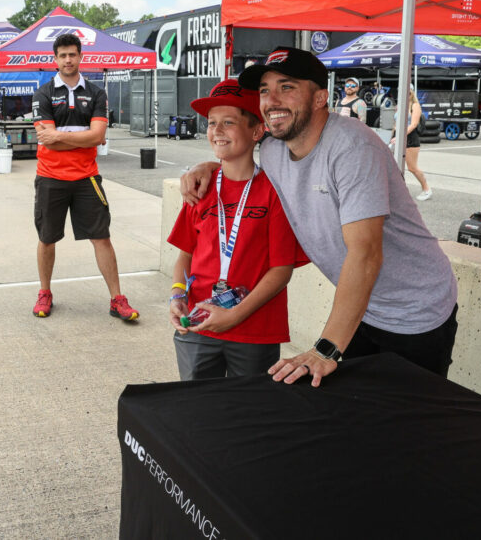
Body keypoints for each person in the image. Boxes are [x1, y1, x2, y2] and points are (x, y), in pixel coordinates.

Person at [181, 47, 457, 387]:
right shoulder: (272, 149)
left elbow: (366, 253)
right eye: (265, 90)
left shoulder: (353, 148)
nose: (271, 100)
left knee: (411, 427)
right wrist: (205, 166)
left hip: (416, 310)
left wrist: (326, 348)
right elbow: (235, 149)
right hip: (363, 308)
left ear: (320, 98)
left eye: (287, 87)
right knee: (351, 418)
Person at [167, 80, 306, 380]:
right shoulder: (199, 188)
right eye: (212, 123)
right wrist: (177, 295)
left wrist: (234, 316)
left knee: (249, 417)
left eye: (228, 122)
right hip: (199, 324)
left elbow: (281, 270)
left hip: (255, 330)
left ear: (257, 131)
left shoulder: (275, 191)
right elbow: (184, 257)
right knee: (198, 412)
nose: (217, 130)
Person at [30, 33, 139, 322]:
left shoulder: (96, 92)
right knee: (47, 238)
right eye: (62, 55)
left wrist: (64, 136)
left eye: (72, 54)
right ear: (55, 59)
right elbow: (48, 140)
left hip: (86, 178)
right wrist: (85, 138)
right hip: (50, 177)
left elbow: (98, 135)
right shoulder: (42, 94)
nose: (68, 59)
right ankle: (45, 292)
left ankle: (117, 298)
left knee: (102, 237)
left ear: (80, 57)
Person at [389, 89, 432, 201]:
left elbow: (413, 124)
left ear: (412, 93)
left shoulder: (415, 105)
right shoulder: (400, 106)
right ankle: (396, 191)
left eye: (408, 92)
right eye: (403, 92)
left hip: (410, 139)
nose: (406, 94)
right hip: (396, 139)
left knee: (412, 167)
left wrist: (400, 137)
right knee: (392, 166)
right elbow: (395, 123)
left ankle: (426, 189)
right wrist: (392, 136)